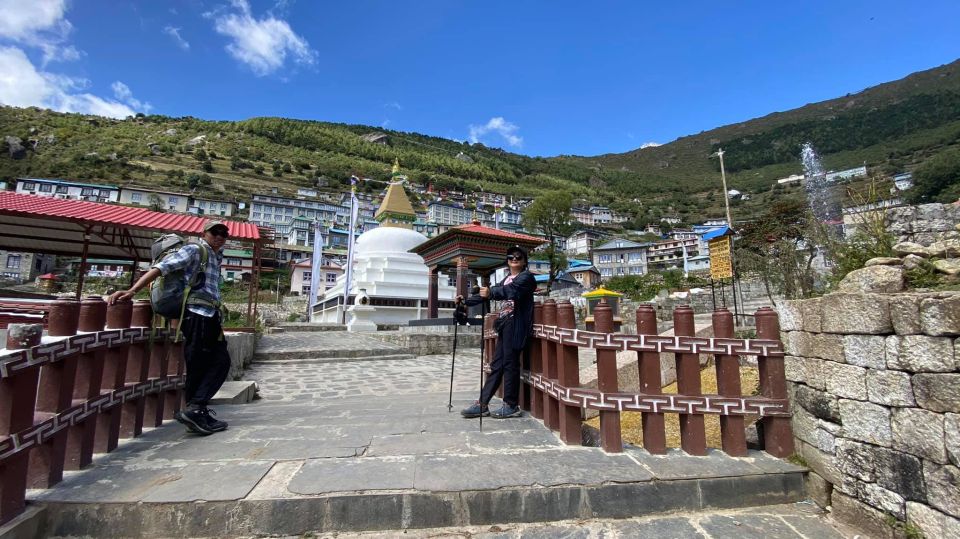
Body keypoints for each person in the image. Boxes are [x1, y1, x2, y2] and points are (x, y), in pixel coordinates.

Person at [107, 220, 232, 436]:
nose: (220, 236)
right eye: (216, 232)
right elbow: (162, 268)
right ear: (205, 233)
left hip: (210, 315)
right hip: (196, 315)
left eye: (224, 233)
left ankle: (196, 410)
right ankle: (196, 409)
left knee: (212, 362)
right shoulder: (195, 249)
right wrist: (132, 291)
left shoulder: (215, 255)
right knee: (208, 362)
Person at [460, 245, 535, 419]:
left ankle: (511, 405)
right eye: (510, 257)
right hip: (505, 324)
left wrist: (492, 292)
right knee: (497, 365)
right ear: (507, 261)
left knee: (510, 364)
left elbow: (511, 292)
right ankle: (482, 403)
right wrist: (465, 302)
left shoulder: (527, 278)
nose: (514, 259)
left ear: (524, 261)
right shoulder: (507, 279)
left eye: (518, 256)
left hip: (515, 324)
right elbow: (486, 295)